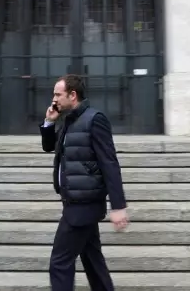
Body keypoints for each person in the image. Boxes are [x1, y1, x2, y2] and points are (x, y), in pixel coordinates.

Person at [40, 74, 129, 291]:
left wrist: (118, 207)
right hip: (75, 200)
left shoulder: (94, 119)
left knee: (59, 262)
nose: (54, 100)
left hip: (82, 204)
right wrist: (49, 122)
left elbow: (109, 163)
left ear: (73, 95)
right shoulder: (69, 119)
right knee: (92, 260)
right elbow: (49, 147)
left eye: (57, 95)